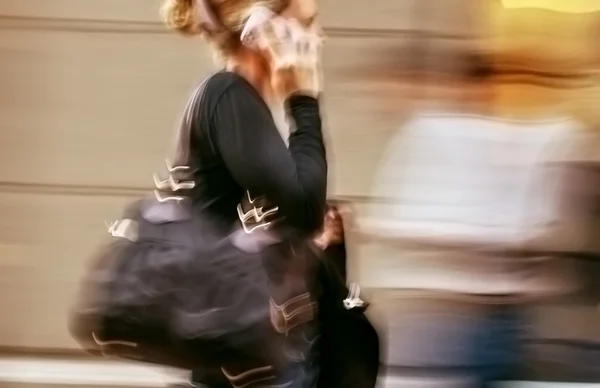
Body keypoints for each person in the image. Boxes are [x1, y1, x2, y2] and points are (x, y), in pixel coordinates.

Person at [158, 0, 327, 386]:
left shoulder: (241, 103)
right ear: (262, 31)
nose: (319, 37)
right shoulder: (227, 96)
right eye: (307, 25)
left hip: (248, 359)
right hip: (243, 367)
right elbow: (304, 209)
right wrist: (304, 101)